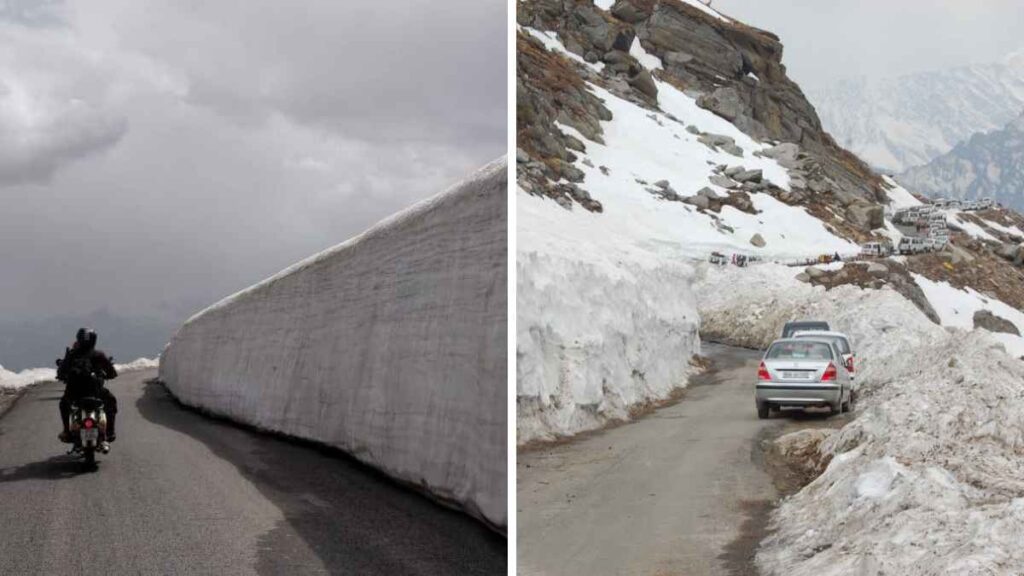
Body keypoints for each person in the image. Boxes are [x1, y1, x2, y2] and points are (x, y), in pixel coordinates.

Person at [56, 328, 119, 445]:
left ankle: (67, 431)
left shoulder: (72, 355)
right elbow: (112, 372)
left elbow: (61, 372)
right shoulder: (99, 355)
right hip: (96, 392)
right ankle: (110, 431)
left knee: (64, 404)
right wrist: (107, 375)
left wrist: (64, 376)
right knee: (111, 401)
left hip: (74, 393)